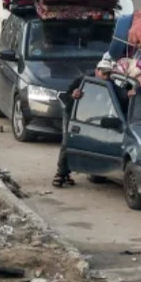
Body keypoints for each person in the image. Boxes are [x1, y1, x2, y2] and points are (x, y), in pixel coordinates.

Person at [53, 59, 128, 187]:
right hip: (74, 115)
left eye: (109, 74)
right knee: (68, 143)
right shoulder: (83, 81)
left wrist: (129, 95)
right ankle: (60, 173)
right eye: (104, 74)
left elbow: (121, 96)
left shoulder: (110, 84)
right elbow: (65, 97)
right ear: (96, 71)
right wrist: (73, 95)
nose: (106, 77)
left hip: (94, 116)